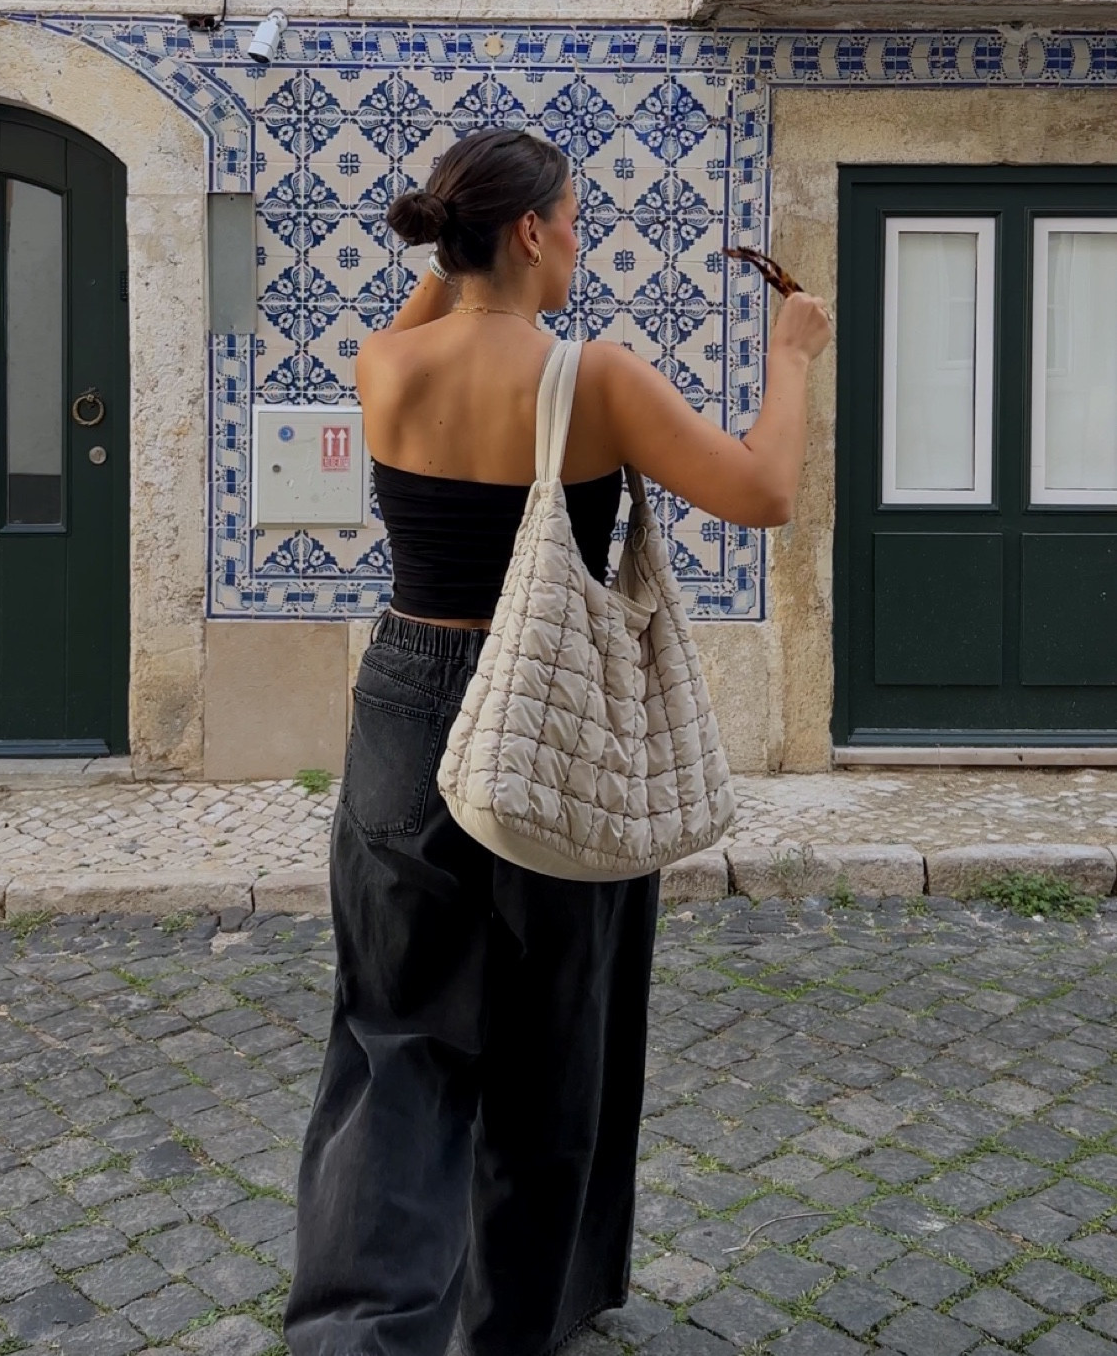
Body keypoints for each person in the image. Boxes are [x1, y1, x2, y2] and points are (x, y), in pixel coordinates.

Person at [284, 127, 831, 1356]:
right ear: (530, 232)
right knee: (551, 1045)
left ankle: (360, 1336)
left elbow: (435, 308)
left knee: (394, 1042)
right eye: (570, 221)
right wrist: (793, 355)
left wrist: (463, 246)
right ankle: (513, 1328)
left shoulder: (387, 365)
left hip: (405, 708)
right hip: (552, 720)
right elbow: (764, 488)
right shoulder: (595, 380)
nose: (580, 243)